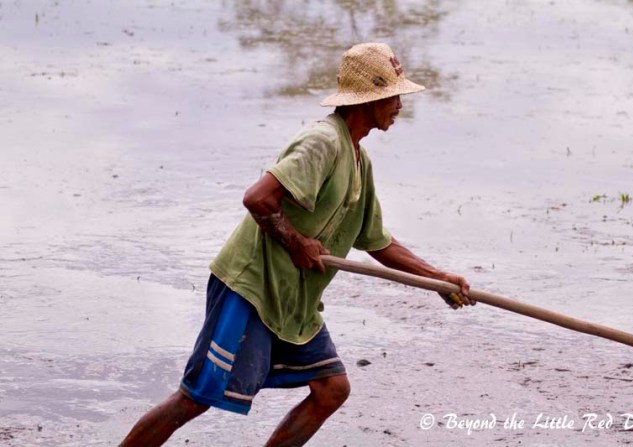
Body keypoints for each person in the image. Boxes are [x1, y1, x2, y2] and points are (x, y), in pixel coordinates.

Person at [120, 42, 475, 447]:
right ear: (370, 98)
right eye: (394, 96)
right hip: (251, 287)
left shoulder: (360, 159)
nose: (399, 105)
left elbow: (376, 241)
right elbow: (258, 199)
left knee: (331, 389)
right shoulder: (323, 142)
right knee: (196, 397)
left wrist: (438, 279)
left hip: (292, 299)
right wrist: (294, 242)